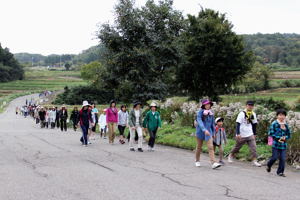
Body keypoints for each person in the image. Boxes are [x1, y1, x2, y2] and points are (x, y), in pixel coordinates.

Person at [228, 100, 261, 167]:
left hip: (250, 133)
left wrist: (254, 134)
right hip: (242, 133)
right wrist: (238, 133)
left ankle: (254, 160)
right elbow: (238, 123)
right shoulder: (242, 113)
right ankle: (230, 155)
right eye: (249, 105)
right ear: (246, 105)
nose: (250, 106)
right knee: (237, 147)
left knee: (254, 147)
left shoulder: (253, 114)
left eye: (252, 105)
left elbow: (254, 124)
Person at [195, 100, 221, 169]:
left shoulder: (211, 113)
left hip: (208, 132)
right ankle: (197, 160)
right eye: (206, 104)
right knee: (199, 147)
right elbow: (199, 121)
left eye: (209, 104)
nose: (208, 105)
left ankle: (213, 163)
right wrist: (204, 130)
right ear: (204, 105)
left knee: (210, 147)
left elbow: (212, 124)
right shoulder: (200, 112)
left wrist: (213, 133)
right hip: (200, 132)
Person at [266, 109, 291, 177]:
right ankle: (269, 165)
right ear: (277, 116)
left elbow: (289, 134)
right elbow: (270, 133)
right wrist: (277, 138)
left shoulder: (286, 124)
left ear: (285, 116)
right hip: (275, 144)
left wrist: (286, 137)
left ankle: (280, 172)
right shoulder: (274, 124)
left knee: (283, 159)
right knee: (274, 157)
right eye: (280, 115)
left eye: (283, 115)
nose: (281, 116)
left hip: (283, 144)